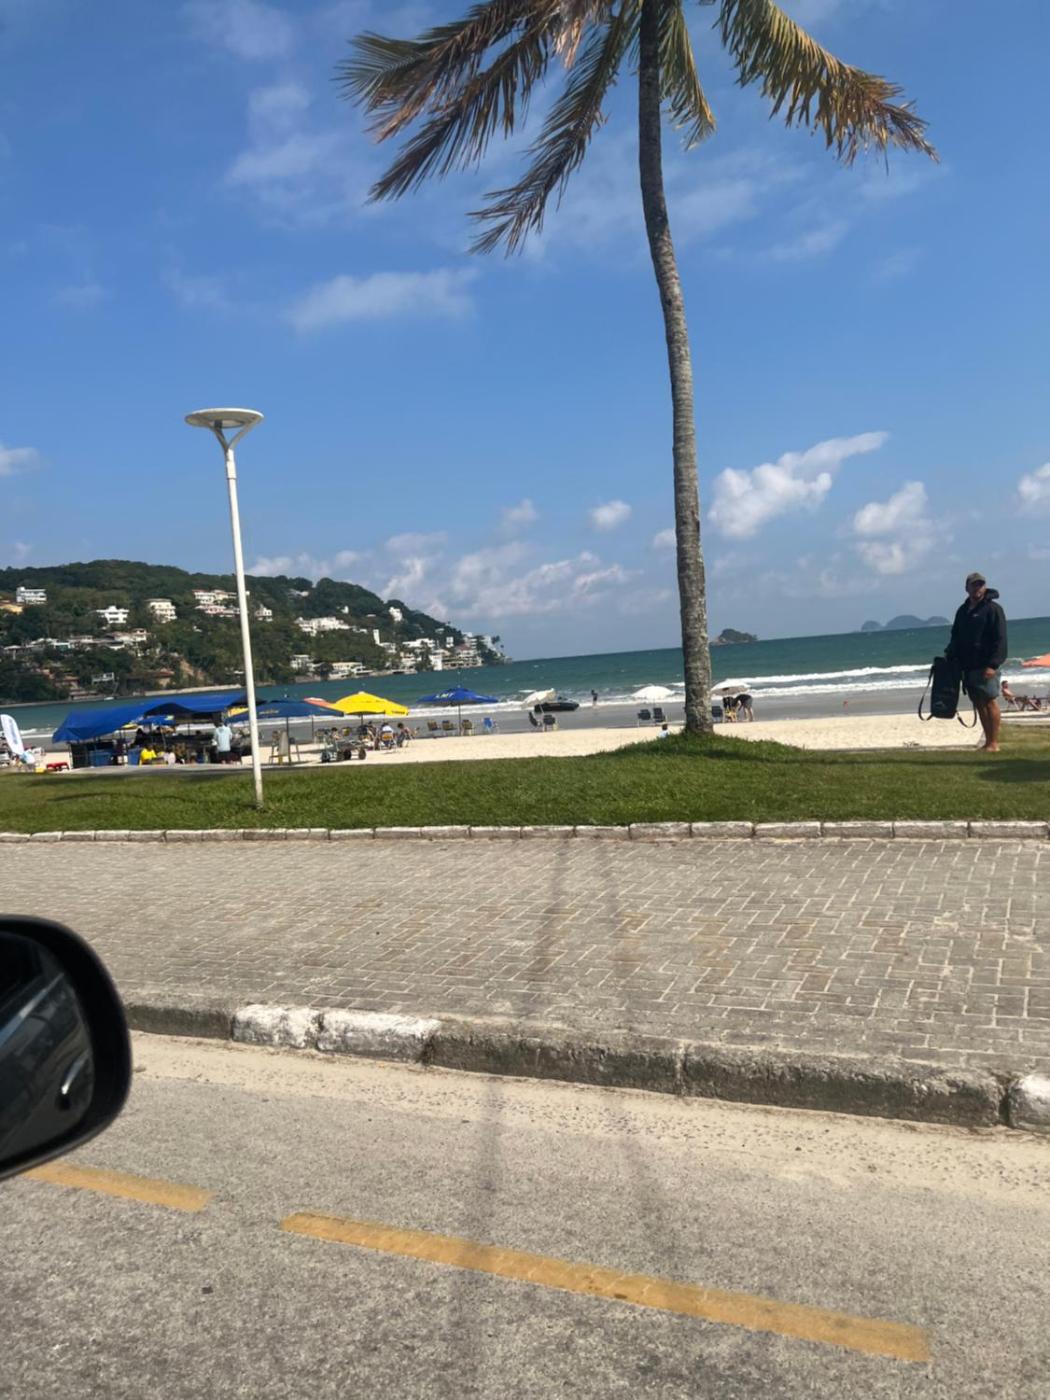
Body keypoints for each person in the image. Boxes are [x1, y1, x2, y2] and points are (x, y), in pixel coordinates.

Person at [946, 571, 1007, 753]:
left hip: (986, 664)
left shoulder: (993, 609)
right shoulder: (963, 611)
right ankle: (987, 741)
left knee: (989, 701)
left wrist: (993, 664)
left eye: (981, 585)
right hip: (968, 665)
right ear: (967, 588)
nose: (978, 588)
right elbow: (956, 636)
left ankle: (994, 743)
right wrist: (950, 654)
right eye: (974, 585)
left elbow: (1000, 639)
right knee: (979, 703)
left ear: (985, 587)